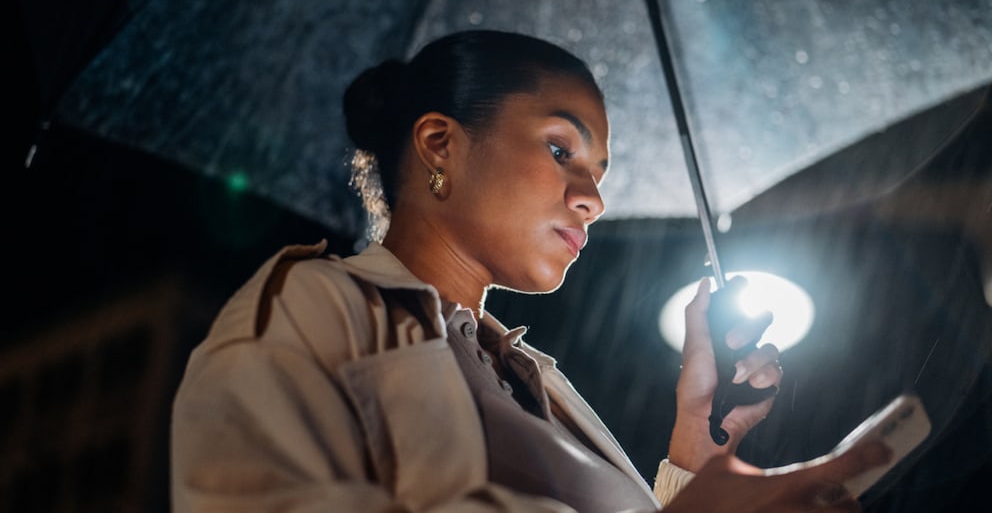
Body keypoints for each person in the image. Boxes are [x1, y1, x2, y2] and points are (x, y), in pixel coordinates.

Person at [170, 29, 890, 512]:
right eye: (560, 150)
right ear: (439, 144)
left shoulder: (539, 383)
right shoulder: (314, 306)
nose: (594, 198)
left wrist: (695, 450)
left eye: (600, 172)